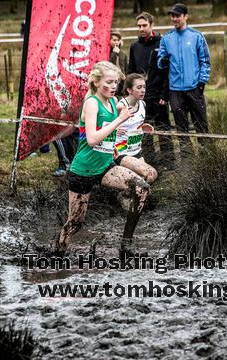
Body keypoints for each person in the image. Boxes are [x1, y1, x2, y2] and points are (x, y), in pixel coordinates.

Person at [58, 62, 150, 256]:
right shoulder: (92, 103)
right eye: (109, 82)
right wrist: (119, 120)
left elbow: (115, 131)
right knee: (75, 224)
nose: (114, 86)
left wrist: (134, 130)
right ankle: (56, 254)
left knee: (141, 188)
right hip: (83, 171)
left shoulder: (112, 102)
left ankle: (126, 245)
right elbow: (91, 139)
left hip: (106, 167)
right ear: (97, 82)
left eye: (116, 82)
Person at [158, 3, 210, 143]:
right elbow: (160, 61)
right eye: (172, 16)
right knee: (181, 130)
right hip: (175, 91)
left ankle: (208, 159)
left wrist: (201, 83)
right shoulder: (166, 38)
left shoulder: (197, 36)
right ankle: (187, 162)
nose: (174, 19)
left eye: (177, 16)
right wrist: (162, 61)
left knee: (202, 126)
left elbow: (205, 61)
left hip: (194, 88)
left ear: (186, 16)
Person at [127, 12, 173, 166]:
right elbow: (130, 72)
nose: (141, 28)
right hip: (141, 97)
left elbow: (167, 72)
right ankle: (149, 159)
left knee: (163, 128)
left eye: (144, 25)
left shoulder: (162, 43)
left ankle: (168, 160)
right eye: (139, 26)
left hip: (158, 94)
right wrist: (131, 95)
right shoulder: (135, 46)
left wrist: (164, 94)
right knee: (143, 129)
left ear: (152, 25)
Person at [115, 73, 158, 185]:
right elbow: (106, 125)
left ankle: (127, 198)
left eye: (144, 87)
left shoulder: (142, 104)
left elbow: (131, 124)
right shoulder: (120, 106)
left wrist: (142, 126)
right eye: (139, 88)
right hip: (121, 152)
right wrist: (114, 129)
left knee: (148, 180)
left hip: (136, 151)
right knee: (148, 175)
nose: (143, 90)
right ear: (129, 90)